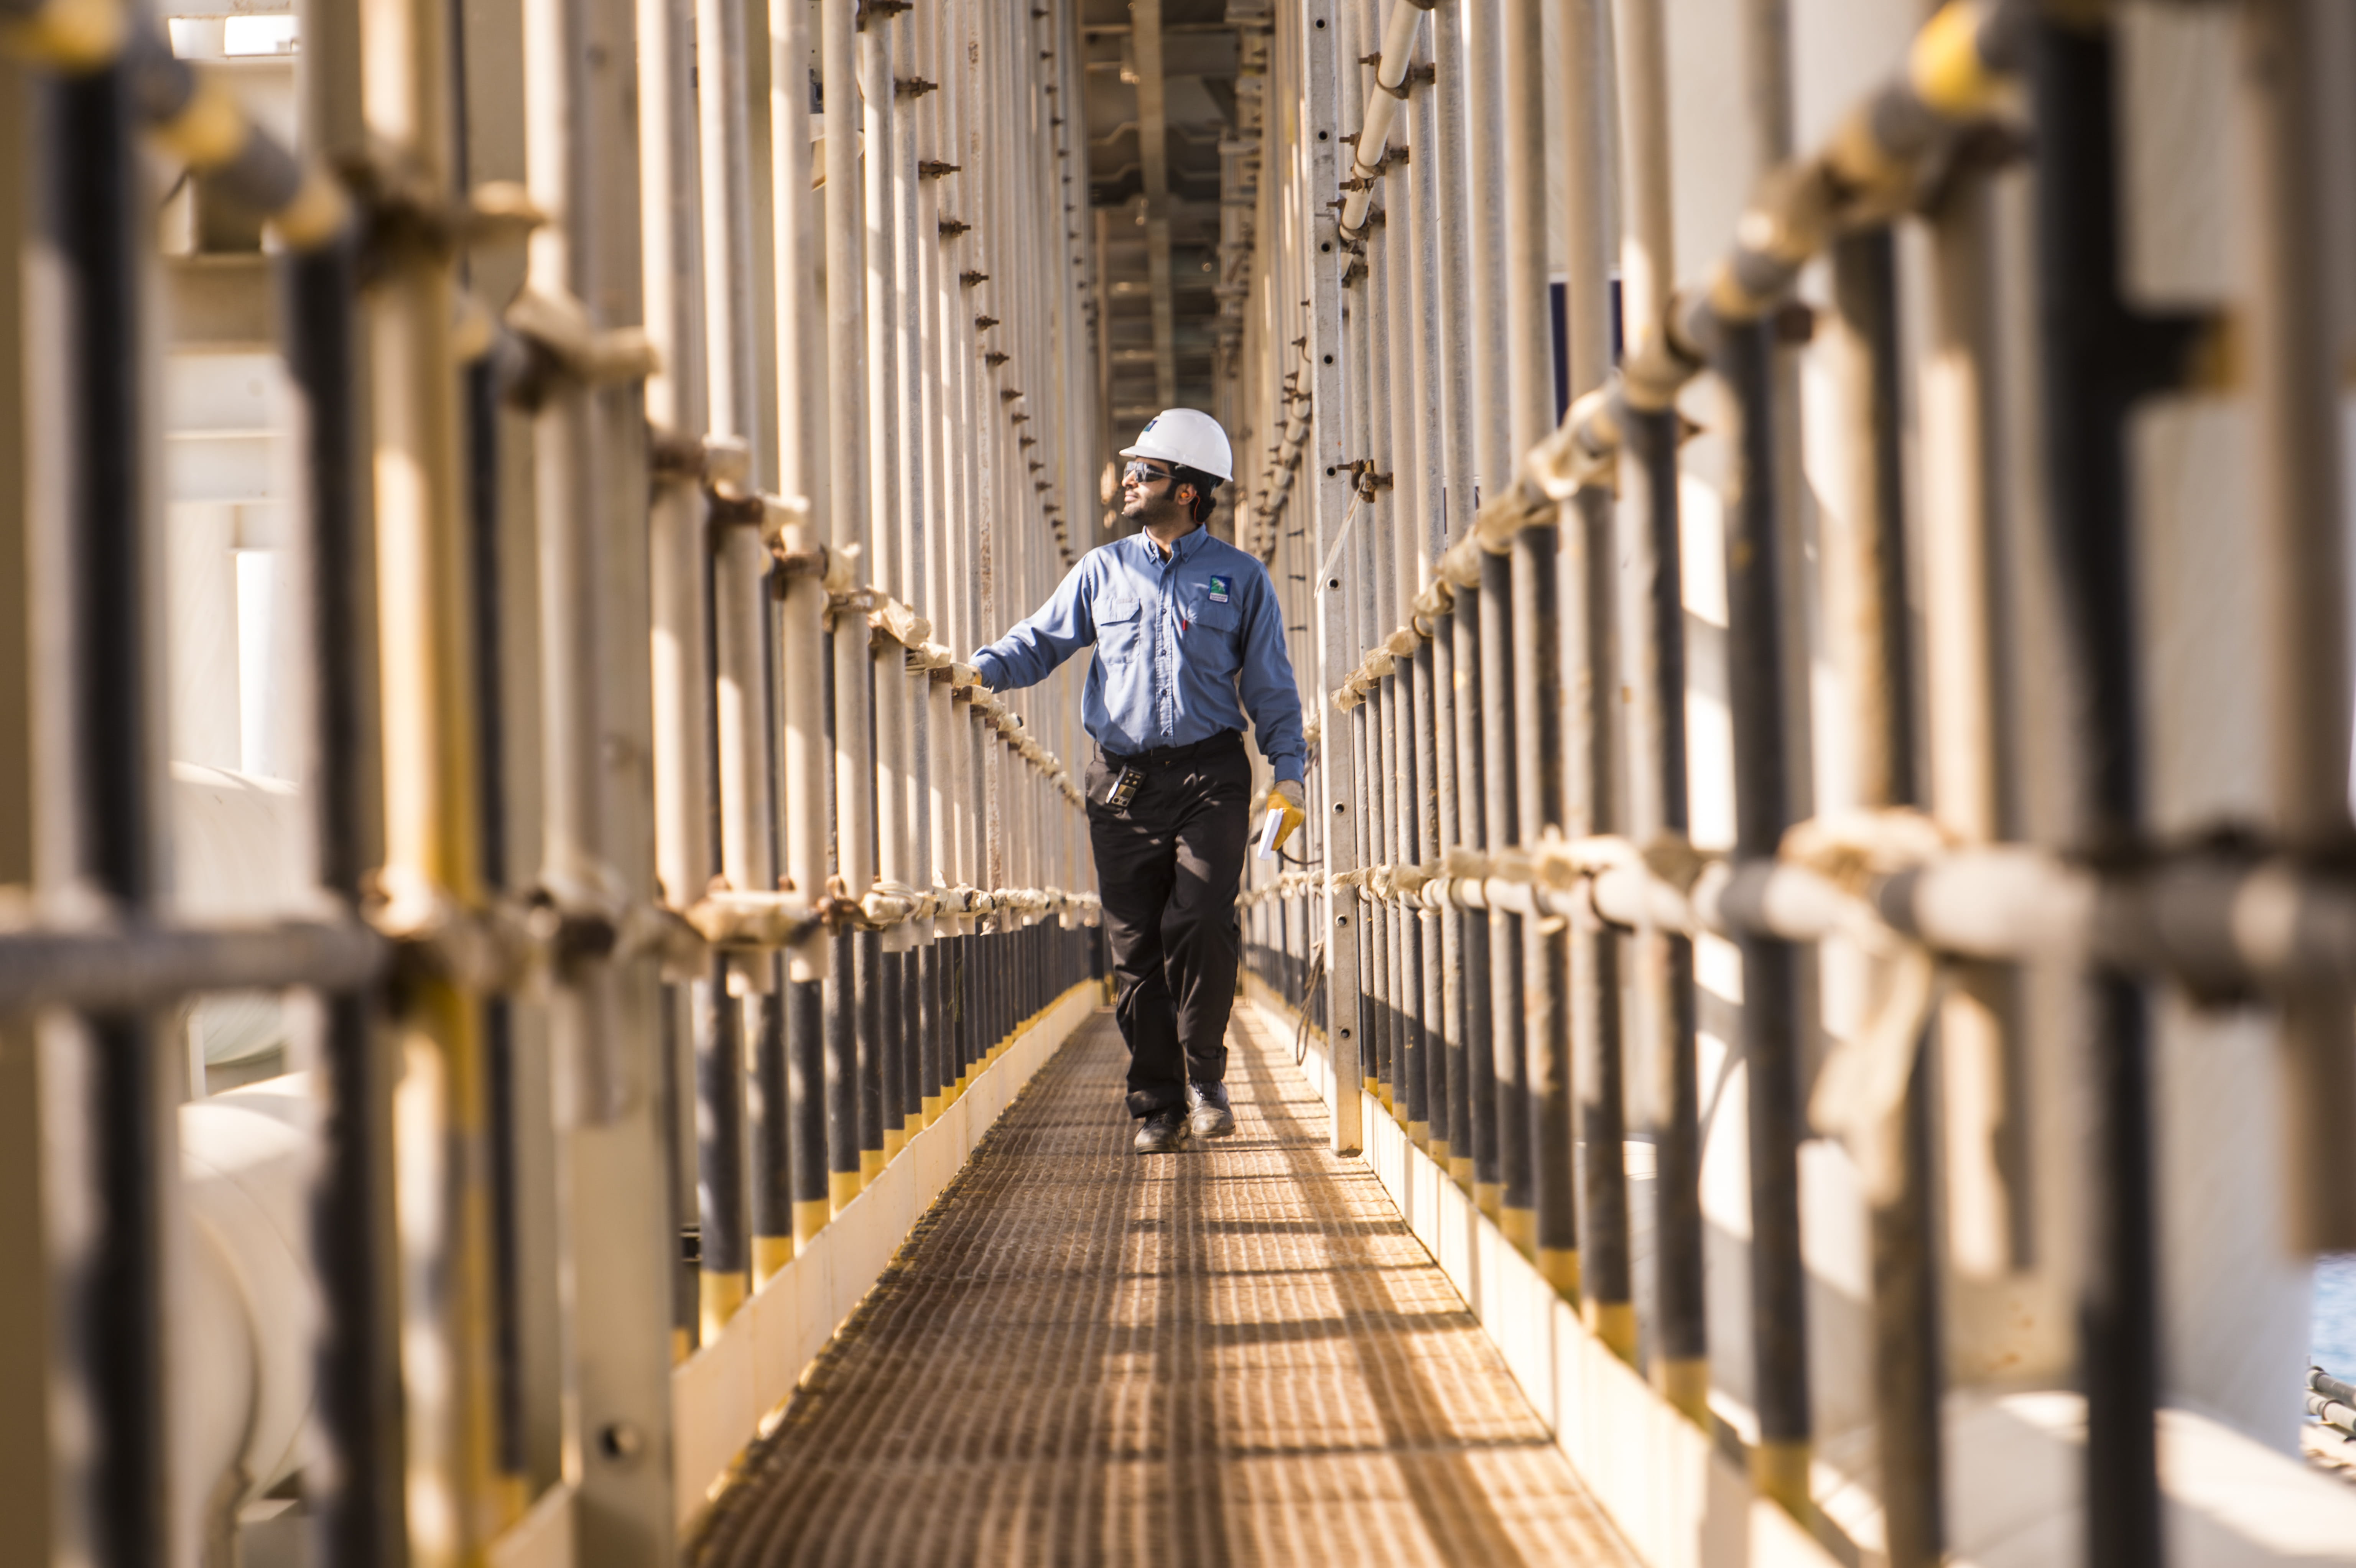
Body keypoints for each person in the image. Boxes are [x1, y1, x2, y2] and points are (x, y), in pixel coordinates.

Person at [969, 408, 1307, 1153]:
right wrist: (975, 669)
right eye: (1132, 468)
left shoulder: (1241, 578)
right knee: (1134, 948)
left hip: (1212, 771)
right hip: (1121, 780)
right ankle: (1157, 1103)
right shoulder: (1102, 570)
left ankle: (1205, 1075)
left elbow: (1273, 687)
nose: (1128, 479)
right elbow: (1040, 641)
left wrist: (1290, 776)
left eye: (1146, 471)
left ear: (1188, 491)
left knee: (1200, 917)